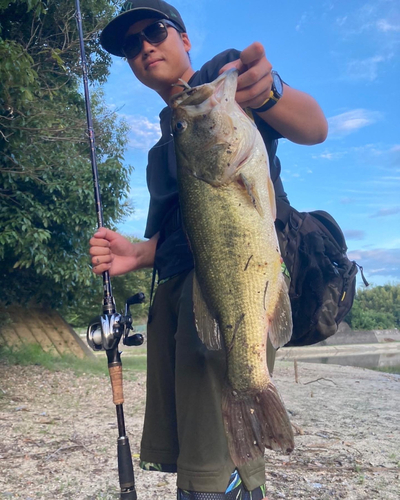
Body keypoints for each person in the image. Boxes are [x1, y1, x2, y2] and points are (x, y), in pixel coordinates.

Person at [89, 1, 328, 498]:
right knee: (195, 466)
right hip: (180, 302)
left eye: (154, 31)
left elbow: (314, 127)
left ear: (185, 38)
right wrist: (137, 253)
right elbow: (188, 233)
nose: (145, 47)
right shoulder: (165, 138)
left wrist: (269, 94)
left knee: (215, 474)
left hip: (232, 292)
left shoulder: (222, 83)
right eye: (131, 46)